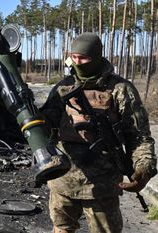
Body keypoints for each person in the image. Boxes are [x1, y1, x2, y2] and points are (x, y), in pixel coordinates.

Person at [40, 32, 157, 233]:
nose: (77, 62)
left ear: (97, 57)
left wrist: (144, 166)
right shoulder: (63, 88)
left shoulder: (120, 89)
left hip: (102, 184)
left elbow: (138, 135)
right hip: (63, 180)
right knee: (61, 229)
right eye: (73, 57)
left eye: (84, 58)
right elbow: (45, 125)